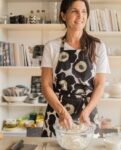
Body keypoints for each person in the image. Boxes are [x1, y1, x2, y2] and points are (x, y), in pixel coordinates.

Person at [41, 0, 110, 137]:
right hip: (58, 113)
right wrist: (62, 112)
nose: (80, 16)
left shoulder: (97, 46)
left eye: (84, 11)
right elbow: (46, 85)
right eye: (74, 11)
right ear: (63, 15)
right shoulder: (51, 47)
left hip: (87, 115)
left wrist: (86, 112)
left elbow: (100, 84)